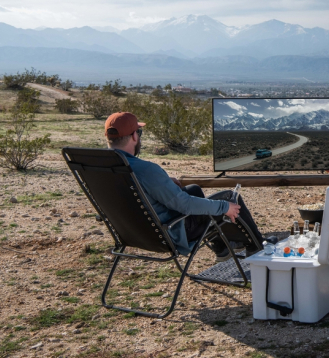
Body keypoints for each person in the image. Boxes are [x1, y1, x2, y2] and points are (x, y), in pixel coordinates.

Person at [104, 112, 274, 262]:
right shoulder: (146, 170)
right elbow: (184, 204)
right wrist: (224, 207)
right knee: (230, 198)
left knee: (193, 189)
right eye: (139, 133)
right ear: (135, 136)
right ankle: (257, 247)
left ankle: (222, 249)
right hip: (171, 232)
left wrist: (163, 181)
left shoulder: (101, 168)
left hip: (135, 232)